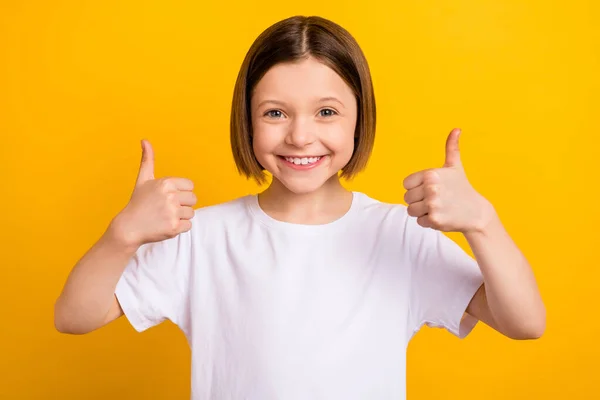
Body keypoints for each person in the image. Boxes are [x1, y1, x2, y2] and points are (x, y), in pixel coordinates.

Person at [54, 15, 545, 400]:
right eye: (275, 113)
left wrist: (482, 222)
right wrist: (124, 235)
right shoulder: (201, 237)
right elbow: (74, 315)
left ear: (359, 119)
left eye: (326, 112)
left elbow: (525, 323)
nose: (300, 135)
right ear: (246, 120)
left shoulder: (399, 234)